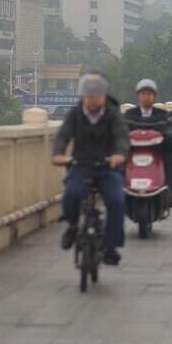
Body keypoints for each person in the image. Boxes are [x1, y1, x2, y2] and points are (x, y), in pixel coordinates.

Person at [51, 72, 128, 265]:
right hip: (81, 165)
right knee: (71, 195)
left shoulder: (112, 114)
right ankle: (71, 227)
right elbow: (63, 136)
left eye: (96, 96)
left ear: (103, 96)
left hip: (107, 166)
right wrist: (59, 153)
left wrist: (119, 154)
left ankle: (110, 246)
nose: (92, 100)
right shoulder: (75, 114)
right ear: (82, 95)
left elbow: (122, 137)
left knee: (117, 201)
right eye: (88, 95)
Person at [124, 78, 172, 207]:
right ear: (138, 96)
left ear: (154, 96)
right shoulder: (130, 114)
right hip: (134, 150)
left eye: (149, 94)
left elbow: (168, 129)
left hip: (156, 149)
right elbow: (122, 131)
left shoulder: (162, 115)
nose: (146, 97)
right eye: (143, 94)